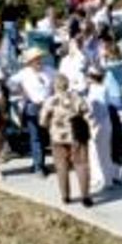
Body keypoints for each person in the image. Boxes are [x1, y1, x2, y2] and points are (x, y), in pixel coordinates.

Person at [39, 74, 94, 207]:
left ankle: (65, 197)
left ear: (54, 86)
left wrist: (51, 127)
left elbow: (42, 121)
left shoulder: (50, 101)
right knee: (81, 165)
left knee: (61, 166)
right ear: (67, 84)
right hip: (76, 136)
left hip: (58, 138)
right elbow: (88, 112)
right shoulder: (77, 98)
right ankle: (85, 197)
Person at [9, 48, 54, 176]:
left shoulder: (49, 70)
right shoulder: (24, 73)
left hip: (47, 107)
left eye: (39, 58)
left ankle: (38, 163)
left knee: (45, 137)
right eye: (35, 59)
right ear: (29, 62)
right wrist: (21, 92)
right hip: (33, 107)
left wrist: (53, 94)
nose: (38, 61)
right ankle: (39, 166)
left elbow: (60, 80)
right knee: (36, 137)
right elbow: (10, 83)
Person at [86, 67, 119, 193]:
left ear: (92, 77)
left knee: (96, 153)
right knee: (104, 152)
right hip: (104, 123)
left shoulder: (96, 90)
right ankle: (107, 179)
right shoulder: (100, 88)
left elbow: (96, 110)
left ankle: (99, 179)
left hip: (97, 124)